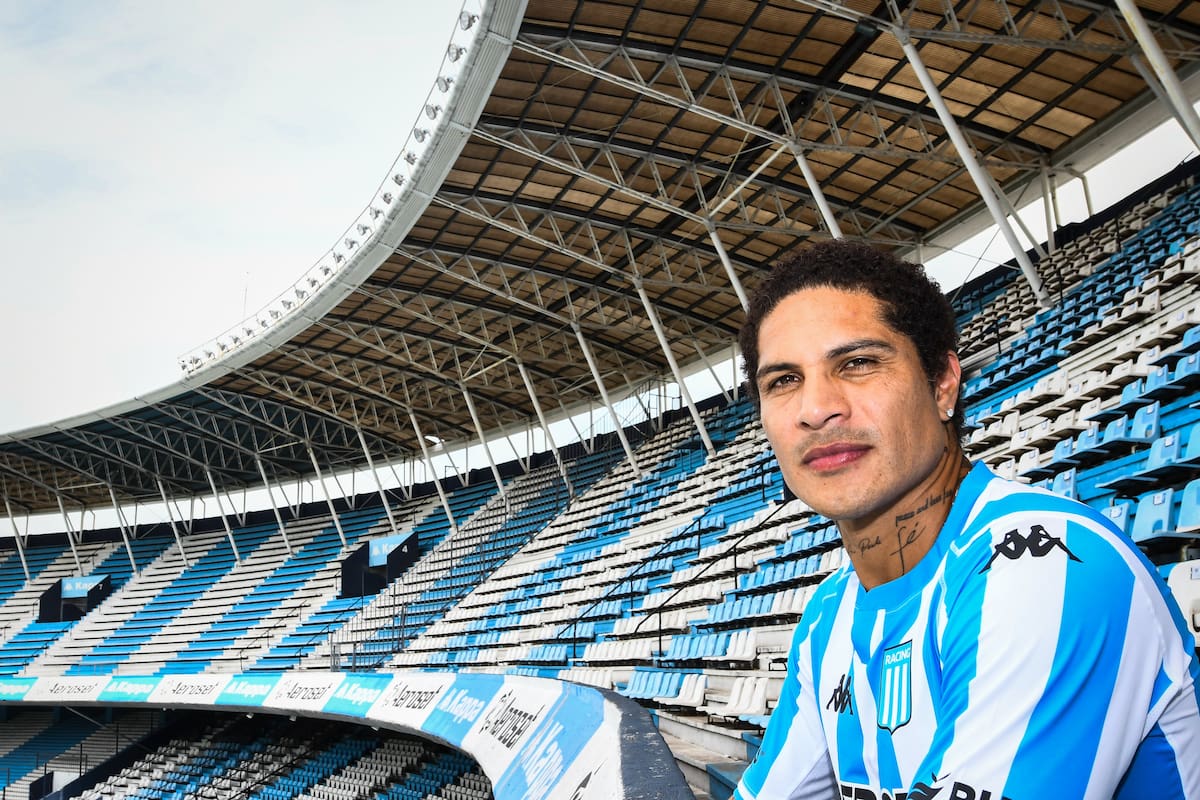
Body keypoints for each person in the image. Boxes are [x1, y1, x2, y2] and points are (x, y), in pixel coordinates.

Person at [732, 239, 1200, 800]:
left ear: (942, 384)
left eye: (857, 364)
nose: (815, 409)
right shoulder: (829, 613)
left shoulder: (1046, 562)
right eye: (783, 381)